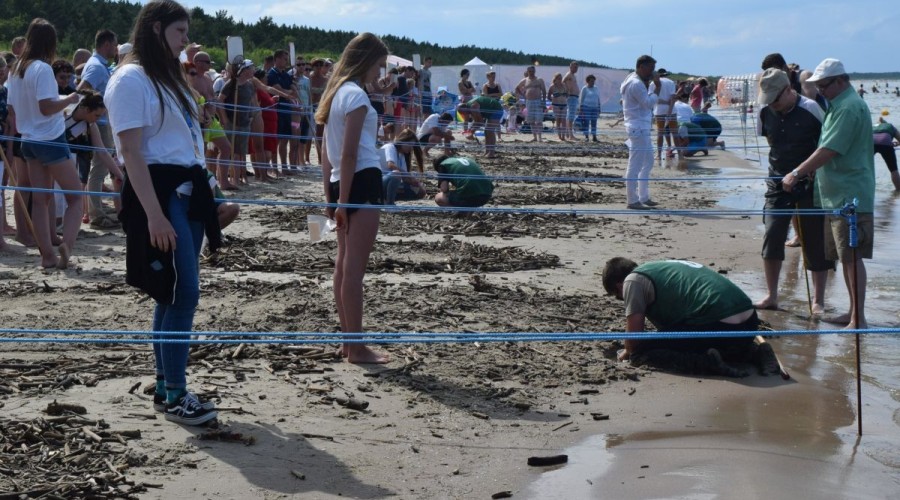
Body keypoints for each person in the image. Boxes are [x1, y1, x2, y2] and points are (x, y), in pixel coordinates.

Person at [107, 0, 220, 425]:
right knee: (184, 293)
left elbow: (188, 142)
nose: (186, 40)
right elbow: (131, 151)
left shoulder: (168, 76)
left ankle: (164, 385)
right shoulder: (130, 78)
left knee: (170, 292)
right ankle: (176, 393)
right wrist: (154, 215)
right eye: (180, 32)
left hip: (188, 190)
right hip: (160, 192)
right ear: (156, 29)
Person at [782, 58, 875, 330]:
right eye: (818, 86)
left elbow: (830, 149)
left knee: (852, 257)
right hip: (837, 194)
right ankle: (853, 313)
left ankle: (858, 318)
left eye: (824, 85)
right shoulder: (837, 104)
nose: (820, 90)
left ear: (841, 80)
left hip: (850, 195)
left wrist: (797, 172)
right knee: (845, 257)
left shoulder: (848, 107)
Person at [316, 32, 391, 364]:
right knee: (354, 270)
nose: (379, 71)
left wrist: (331, 197)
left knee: (343, 265)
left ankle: (349, 343)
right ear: (366, 60)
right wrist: (343, 201)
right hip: (359, 181)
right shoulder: (357, 96)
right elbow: (348, 154)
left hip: (340, 183)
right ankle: (357, 347)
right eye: (379, 64)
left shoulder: (335, 94)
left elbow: (326, 154)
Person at [602, 257, 780, 376]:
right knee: (681, 338)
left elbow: (634, 341)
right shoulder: (661, 268)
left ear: (619, 286)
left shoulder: (632, 281)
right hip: (748, 324)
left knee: (642, 352)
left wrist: (627, 352)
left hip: (718, 323)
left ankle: (707, 363)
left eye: (619, 297)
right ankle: (754, 352)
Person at [754, 68, 832, 314]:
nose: (772, 105)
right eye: (768, 100)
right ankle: (771, 295)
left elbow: (827, 145)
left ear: (789, 90)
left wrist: (810, 171)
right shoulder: (764, 111)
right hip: (777, 182)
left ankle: (818, 301)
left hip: (810, 183)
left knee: (815, 240)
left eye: (775, 99)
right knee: (772, 234)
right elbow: (770, 141)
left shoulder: (812, 109)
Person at [7, 18, 83, 269]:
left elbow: (12, 108)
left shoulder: (16, 69)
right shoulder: (41, 69)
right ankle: (67, 246)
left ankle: (47, 256)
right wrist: (70, 99)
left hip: (28, 139)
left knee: (41, 200)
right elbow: (47, 107)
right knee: (75, 197)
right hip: (50, 139)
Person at [77, 29, 120, 229]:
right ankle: (96, 214)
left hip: (100, 121)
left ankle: (94, 210)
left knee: (98, 169)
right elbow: (81, 90)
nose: (116, 48)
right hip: (99, 123)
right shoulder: (96, 67)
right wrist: (92, 113)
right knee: (99, 169)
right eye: (115, 44)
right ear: (106, 44)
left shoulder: (98, 65)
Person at [620, 55, 660, 209]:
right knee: (635, 165)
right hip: (638, 127)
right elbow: (648, 103)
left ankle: (643, 196)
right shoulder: (636, 83)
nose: (652, 72)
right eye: (651, 68)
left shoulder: (632, 78)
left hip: (641, 126)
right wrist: (657, 88)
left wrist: (649, 84)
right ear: (641, 67)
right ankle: (632, 200)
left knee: (648, 162)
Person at [267, 49, 296, 172]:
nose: (286, 61)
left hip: (287, 109)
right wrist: (287, 92)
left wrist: (287, 92)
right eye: (284, 59)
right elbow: (279, 90)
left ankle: (284, 166)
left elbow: (293, 91)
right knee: (277, 139)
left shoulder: (286, 75)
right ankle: (274, 167)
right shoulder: (271, 74)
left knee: (285, 139)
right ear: (277, 59)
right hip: (277, 109)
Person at [379, 128, 426, 205]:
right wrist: (408, 175)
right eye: (409, 145)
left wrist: (416, 184)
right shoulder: (390, 147)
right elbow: (391, 165)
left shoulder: (402, 155)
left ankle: (386, 199)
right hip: (379, 182)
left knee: (419, 192)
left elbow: (404, 178)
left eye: (412, 146)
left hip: (390, 182)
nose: (411, 148)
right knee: (396, 174)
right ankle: (390, 203)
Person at [649, 68, 677, 160]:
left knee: (660, 133)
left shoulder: (652, 83)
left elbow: (653, 98)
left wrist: (664, 102)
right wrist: (669, 111)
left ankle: (659, 154)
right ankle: (680, 154)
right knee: (674, 133)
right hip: (671, 110)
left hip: (659, 110)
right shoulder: (671, 82)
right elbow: (673, 98)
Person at [515, 66, 546, 143]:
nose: (531, 73)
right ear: (527, 72)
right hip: (529, 102)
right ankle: (534, 137)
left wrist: (543, 101)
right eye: (530, 71)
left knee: (538, 120)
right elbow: (517, 88)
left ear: (534, 71)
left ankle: (540, 137)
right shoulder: (525, 80)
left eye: (532, 71)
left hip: (538, 101)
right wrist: (523, 95)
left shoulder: (539, 80)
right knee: (531, 120)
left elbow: (544, 91)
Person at [872, 114, 900, 190]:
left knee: (867, 167)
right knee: (893, 170)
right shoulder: (890, 126)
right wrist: (896, 143)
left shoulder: (873, 126)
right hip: (886, 143)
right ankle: (898, 191)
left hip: (871, 143)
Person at [577, 74, 601, 142]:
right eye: (591, 81)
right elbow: (581, 99)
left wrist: (599, 107)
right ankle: (586, 136)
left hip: (595, 108)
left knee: (594, 122)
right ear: (588, 81)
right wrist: (581, 109)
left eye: (593, 81)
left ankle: (594, 137)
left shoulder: (596, 88)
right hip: (586, 107)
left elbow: (598, 98)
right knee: (586, 122)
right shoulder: (584, 89)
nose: (593, 82)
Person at [548, 73, 568, 142]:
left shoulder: (564, 85)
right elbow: (549, 96)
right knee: (558, 120)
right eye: (559, 78)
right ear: (555, 79)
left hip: (564, 104)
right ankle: (559, 136)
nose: (560, 79)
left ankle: (563, 136)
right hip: (556, 105)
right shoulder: (552, 86)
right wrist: (553, 100)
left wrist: (564, 98)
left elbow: (567, 94)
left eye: (561, 78)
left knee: (564, 120)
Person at [562, 61, 580, 141]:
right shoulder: (569, 74)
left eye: (577, 67)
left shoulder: (572, 75)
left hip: (574, 97)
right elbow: (562, 82)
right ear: (570, 67)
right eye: (574, 67)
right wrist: (567, 91)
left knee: (570, 116)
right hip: (571, 96)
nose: (576, 69)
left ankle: (568, 134)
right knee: (571, 117)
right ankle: (571, 135)